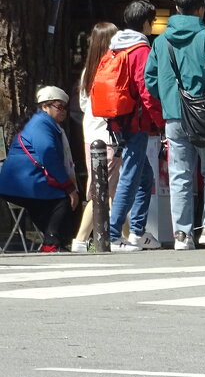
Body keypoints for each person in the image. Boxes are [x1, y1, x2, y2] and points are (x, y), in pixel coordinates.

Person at [145, 0, 205, 250]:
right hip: (204, 114)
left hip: (173, 116)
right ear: (201, 9)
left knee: (179, 174)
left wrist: (168, 95)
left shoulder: (161, 41)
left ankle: (182, 235)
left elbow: (150, 79)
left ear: (176, 8)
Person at [107, 0, 164, 253]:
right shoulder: (140, 50)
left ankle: (138, 232)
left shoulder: (116, 47)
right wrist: (160, 120)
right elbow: (147, 90)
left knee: (144, 176)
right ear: (145, 23)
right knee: (130, 177)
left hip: (119, 119)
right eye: (151, 21)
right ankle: (112, 233)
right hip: (136, 121)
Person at [0, 87, 79, 252]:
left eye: (65, 107)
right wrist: (69, 186)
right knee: (62, 199)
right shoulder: (42, 125)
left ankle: (54, 241)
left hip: (23, 181)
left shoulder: (44, 124)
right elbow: (49, 157)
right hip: (22, 183)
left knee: (45, 204)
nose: (63, 111)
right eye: (59, 106)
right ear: (45, 106)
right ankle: (51, 242)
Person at [71, 21, 119, 253]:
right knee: (102, 192)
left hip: (90, 135)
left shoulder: (87, 72)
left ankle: (127, 234)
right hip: (108, 137)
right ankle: (80, 240)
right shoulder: (111, 68)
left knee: (108, 190)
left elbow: (82, 105)